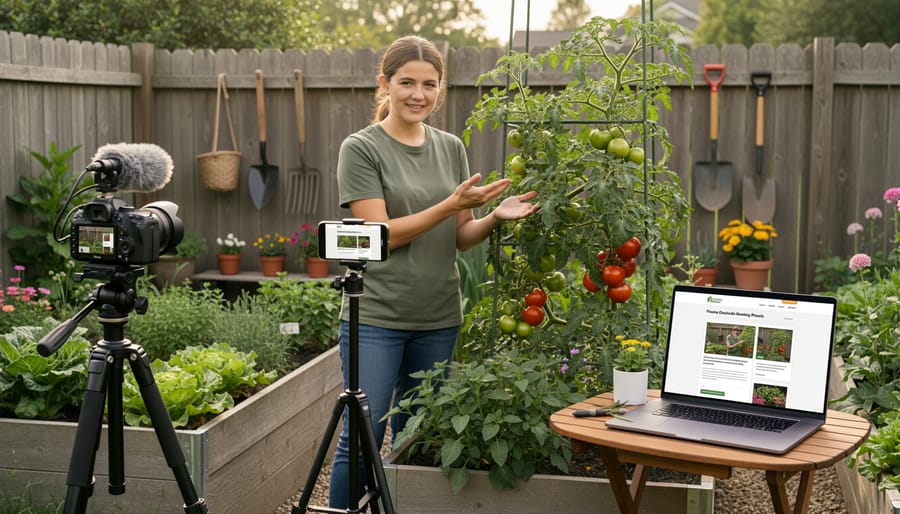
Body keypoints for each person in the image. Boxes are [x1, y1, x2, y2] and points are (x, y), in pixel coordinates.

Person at [328, 35, 540, 509]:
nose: (417, 94)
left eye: (429, 84)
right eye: (406, 83)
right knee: (364, 436)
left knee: (417, 437)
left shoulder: (450, 148)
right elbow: (378, 236)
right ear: (385, 84)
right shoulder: (361, 148)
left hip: (439, 318)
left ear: (440, 89)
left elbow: (459, 236)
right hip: (378, 317)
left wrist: (491, 217)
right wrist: (451, 203)